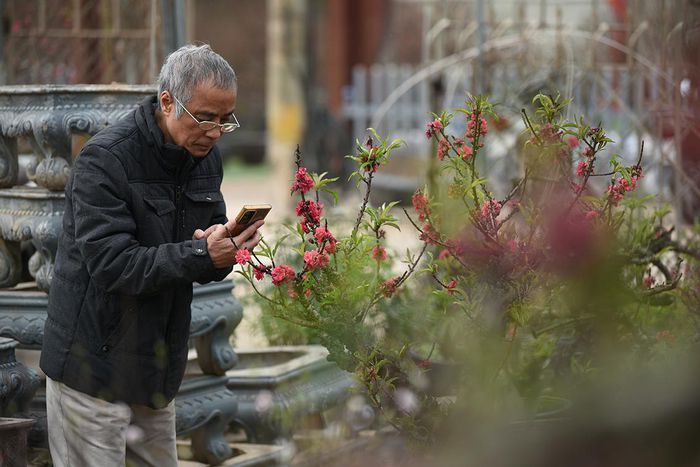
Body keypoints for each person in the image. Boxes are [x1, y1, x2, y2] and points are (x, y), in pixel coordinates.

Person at [39, 44, 261, 466]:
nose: (214, 132)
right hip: (91, 370)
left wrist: (225, 245)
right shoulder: (104, 160)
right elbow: (113, 265)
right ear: (166, 101)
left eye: (224, 119)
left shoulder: (206, 159)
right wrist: (201, 253)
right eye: (205, 117)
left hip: (156, 370)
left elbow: (201, 252)